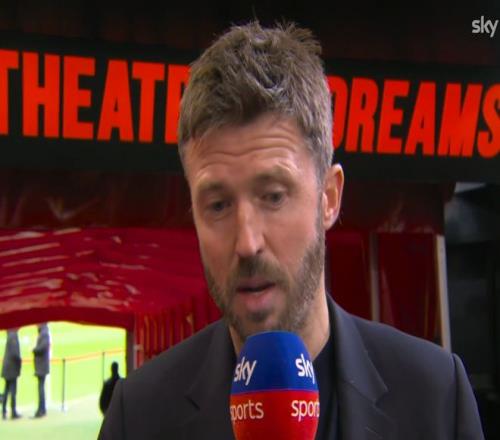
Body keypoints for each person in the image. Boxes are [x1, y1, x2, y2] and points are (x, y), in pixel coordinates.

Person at [98, 21, 484, 439]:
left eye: (273, 196)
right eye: (219, 205)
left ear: (329, 197)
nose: (248, 243)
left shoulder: (436, 397)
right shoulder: (139, 417)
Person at [1, 329, 22, 420]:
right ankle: (13, 411)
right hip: (12, 368)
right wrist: (19, 361)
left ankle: (4, 411)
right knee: (12, 391)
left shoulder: (10, 335)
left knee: (6, 389)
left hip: (7, 367)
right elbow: (15, 353)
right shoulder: (13, 336)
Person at [32, 323, 50, 418]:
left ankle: (41, 410)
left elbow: (42, 347)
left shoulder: (44, 333)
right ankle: (42, 409)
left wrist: (34, 349)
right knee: (41, 388)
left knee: (41, 389)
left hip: (41, 366)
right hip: (41, 365)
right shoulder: (43, 332)